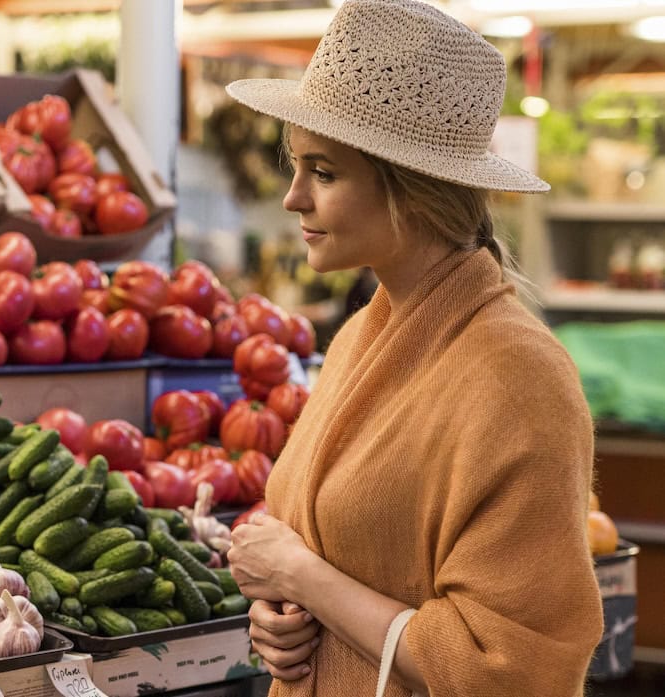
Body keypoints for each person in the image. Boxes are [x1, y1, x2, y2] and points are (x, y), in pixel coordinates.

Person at [223, 1, 603, 696]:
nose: (292, 197)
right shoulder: (366, 337)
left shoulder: (520, 378)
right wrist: (282, 613)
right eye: (295, 165)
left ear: (412, 194)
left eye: (324, 172)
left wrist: (302, 576)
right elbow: (340, 547)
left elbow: (515, 668)